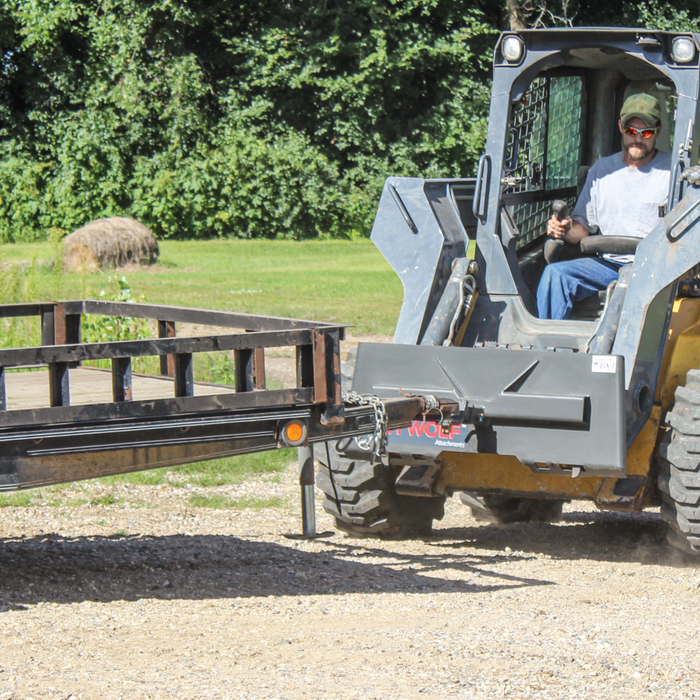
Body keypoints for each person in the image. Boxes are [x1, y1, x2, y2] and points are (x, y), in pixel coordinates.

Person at [536, 93, 672, 320]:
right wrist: (565, 228)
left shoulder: (674, 171)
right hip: (608, 265)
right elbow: (583, 229)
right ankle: (549, 348)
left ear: (657, 131)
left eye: (646, 132)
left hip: (655, 269)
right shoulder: (602, 171)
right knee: (555, 275)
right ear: (620, 127)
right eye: (631, 131)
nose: (637, 139)